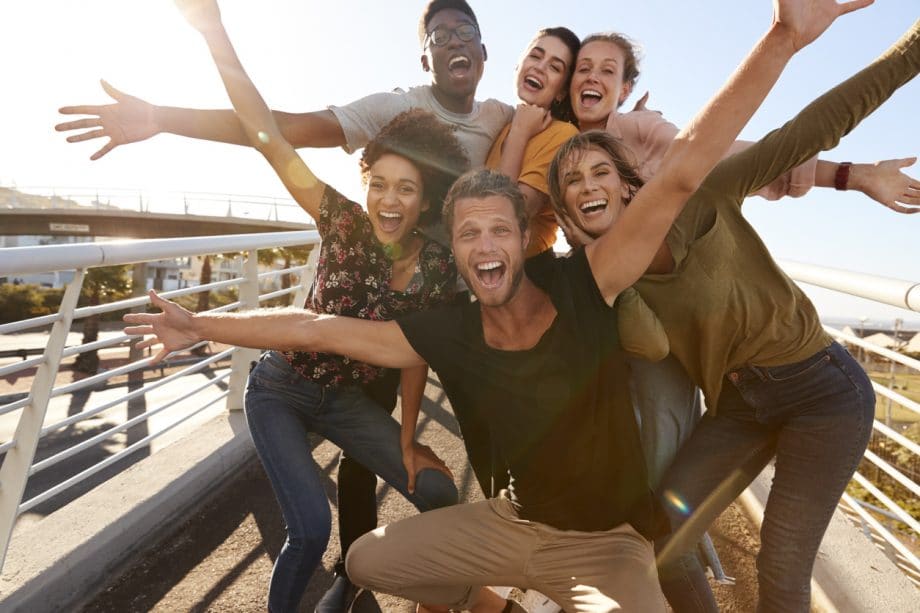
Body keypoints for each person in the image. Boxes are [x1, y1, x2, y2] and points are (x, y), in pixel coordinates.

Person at [125, 2, 873, 610]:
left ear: (528, 237)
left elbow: (683, 176)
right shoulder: (448, 314)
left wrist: (781, 39)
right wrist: (201, 324)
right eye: (467, 233)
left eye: (498, 230)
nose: (484, 243)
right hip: (510, 524)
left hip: (605, 545)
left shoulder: (587, 281)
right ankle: (498, 605)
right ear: (453, 246)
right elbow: (316, 324)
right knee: (365, 556)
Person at [547, 17, 920, 612]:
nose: (589, 185)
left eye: (601, 172)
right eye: (571, 182)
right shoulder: (602, 279)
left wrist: (911, 49)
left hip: (822, 392)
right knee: (664, 533)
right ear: (566, 212)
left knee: (781, 568)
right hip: (740, 403)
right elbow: (629, 350)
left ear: (627, 183)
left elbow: (812, 128)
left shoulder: (705, 194)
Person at [170, 2, 473, 612]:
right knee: (308, 528)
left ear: (426, 200)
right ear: (364, 185)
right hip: (282, 386)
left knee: (441, 492)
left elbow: (415, 358)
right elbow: (266, 135)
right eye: (378, 183)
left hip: (345, 402)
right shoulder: (341, 222)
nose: (388, 199)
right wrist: (213, 32)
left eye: (406, 188)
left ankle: (407, 586)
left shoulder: (439, 268)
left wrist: (410, 439)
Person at [55, 0, 511, 168]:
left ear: (484, 52)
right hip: (401, 299)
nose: (455, 40)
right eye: (440, 36)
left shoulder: (501, 118)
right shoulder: (394, 112)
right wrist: (162, 117)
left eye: (466, 32)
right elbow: (278, 130)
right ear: (425, 59)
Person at [485, 27, 581, 258]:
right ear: (519, 63)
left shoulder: (564, 135)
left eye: (555, 67)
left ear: (562, 92)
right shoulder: (501, 125)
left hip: (526, 275)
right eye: (535, 56)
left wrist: (520, 132)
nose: (539, 66)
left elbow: (508, 215)